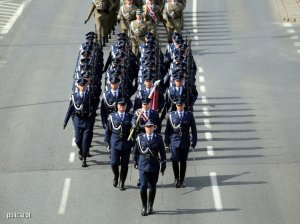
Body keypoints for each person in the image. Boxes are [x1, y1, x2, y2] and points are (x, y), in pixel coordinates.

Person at [133, 120, 166, 216]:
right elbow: (136, 151)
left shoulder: (158, 138)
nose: (149, 128)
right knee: (143, 186)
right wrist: (135, 161)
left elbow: (163, 153)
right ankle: (144, 206)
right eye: (147, 127)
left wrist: (163, 164)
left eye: (151, 126)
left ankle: (150, 205)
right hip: (143, 165)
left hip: (154, 165)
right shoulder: (140, 138)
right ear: (145, 128)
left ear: (154, 127)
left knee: (152, 186)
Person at [63, 78, 97, 167]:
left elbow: (95, 106)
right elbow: (70, 110)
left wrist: (92, 113)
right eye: (81, 86)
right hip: (78, 121)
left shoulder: (90, 96)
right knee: (78, 140)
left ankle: (84, 159)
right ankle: (81, 151)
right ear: (78, 86)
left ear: (87, 86)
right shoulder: (74, 97)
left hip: (87, 121)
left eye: (84, 85)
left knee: (85, 141)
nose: (82, 87)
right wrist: (65, 121)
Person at [164, 98, 197, 188]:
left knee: (183, 161)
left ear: (184, 105)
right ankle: (176, 178)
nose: (180, 107)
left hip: (185, 140)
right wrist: (167, 143)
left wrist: (194, 141)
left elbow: (193, 129)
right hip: (174, 140)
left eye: (181, 105)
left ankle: (182, 179)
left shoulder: (189, 115)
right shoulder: (171, 115)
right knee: (174, 160)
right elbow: (167, 130)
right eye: (178, 105)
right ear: (176, 106)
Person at [105, 98, 134, 190]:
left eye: (123, 105)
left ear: (126, 106)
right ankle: (116, 176)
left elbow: (133, 129)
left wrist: (132, 143)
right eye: (120, 105)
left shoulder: (130, 117)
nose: (122, 107)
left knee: (125, 165)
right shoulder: (112, 117)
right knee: (114, 163)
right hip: (115, 143)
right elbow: (108, 131)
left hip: (126, 143)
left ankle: (122, 181)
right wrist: (107, 143)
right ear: (117, 106)